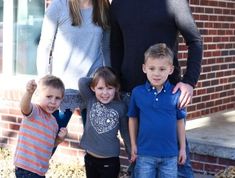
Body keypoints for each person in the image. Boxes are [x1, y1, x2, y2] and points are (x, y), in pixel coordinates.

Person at [110, 0, 203, 177]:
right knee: (139, 165)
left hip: (168, 95)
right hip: (130, 95)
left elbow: (195, 40)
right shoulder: (119, 4)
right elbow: (115, 45)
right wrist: (116, 84)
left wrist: (189, 82)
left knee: (179, 168)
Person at [37, 0, 111, 129]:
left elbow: (106, 47)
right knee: (49, 140)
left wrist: (110, 81)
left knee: (95, 145)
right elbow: (45, 46)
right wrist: (44, 83)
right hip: (62, 89)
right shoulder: (59, 6)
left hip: (93, 87)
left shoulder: (103, 7)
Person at [128, 43, 186, 178]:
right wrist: (133, 144)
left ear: (170, 69)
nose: (156, 73)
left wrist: (182, 148)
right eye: (152, 68)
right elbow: (132, 118)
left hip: (170, 156)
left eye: (162, 69)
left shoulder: (176, 93)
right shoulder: (137, 92)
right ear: (144, 68)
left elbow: (180, 121)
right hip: (145, 154)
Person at [78, 66, 130, 178]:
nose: (105, 93)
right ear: (93, 88)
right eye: (100, 88)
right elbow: (82, 81)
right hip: (90, 158)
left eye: (110, 88)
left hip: (110, 160)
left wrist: (131, 152)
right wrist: (98, 76)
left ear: (116, 88)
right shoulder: (90, 100)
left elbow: (125, 133)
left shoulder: (121, 107)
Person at [14, 75, 67, 178]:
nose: (53, 101)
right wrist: (29, 93)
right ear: (39, 95)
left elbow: (50, 144)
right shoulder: (35, 112)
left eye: (57, 98)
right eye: (49, 96)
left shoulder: (54, 123)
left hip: (40, 171)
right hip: (26, 169)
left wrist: (59, 139)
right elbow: (24, 107)